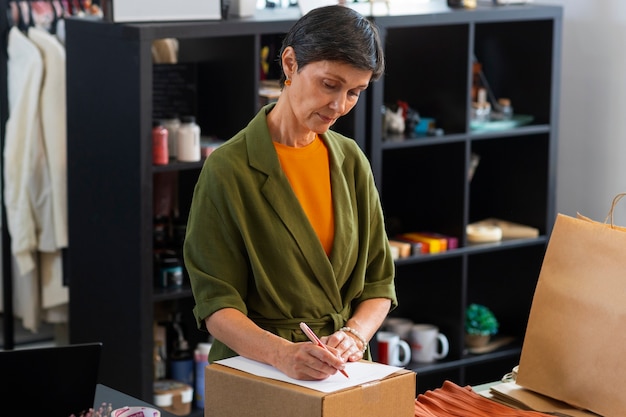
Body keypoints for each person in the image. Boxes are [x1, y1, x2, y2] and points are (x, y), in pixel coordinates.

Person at [184, 4, 397, 381]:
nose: (339, 106)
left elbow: (379, 283)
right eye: (330, 85)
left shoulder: (350, 161)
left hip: (340, 371)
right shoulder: (228, 169)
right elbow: (216, 304)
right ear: (289, 64)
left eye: (355, 92)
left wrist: (353, 335)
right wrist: (282, 354)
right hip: (255, 370)